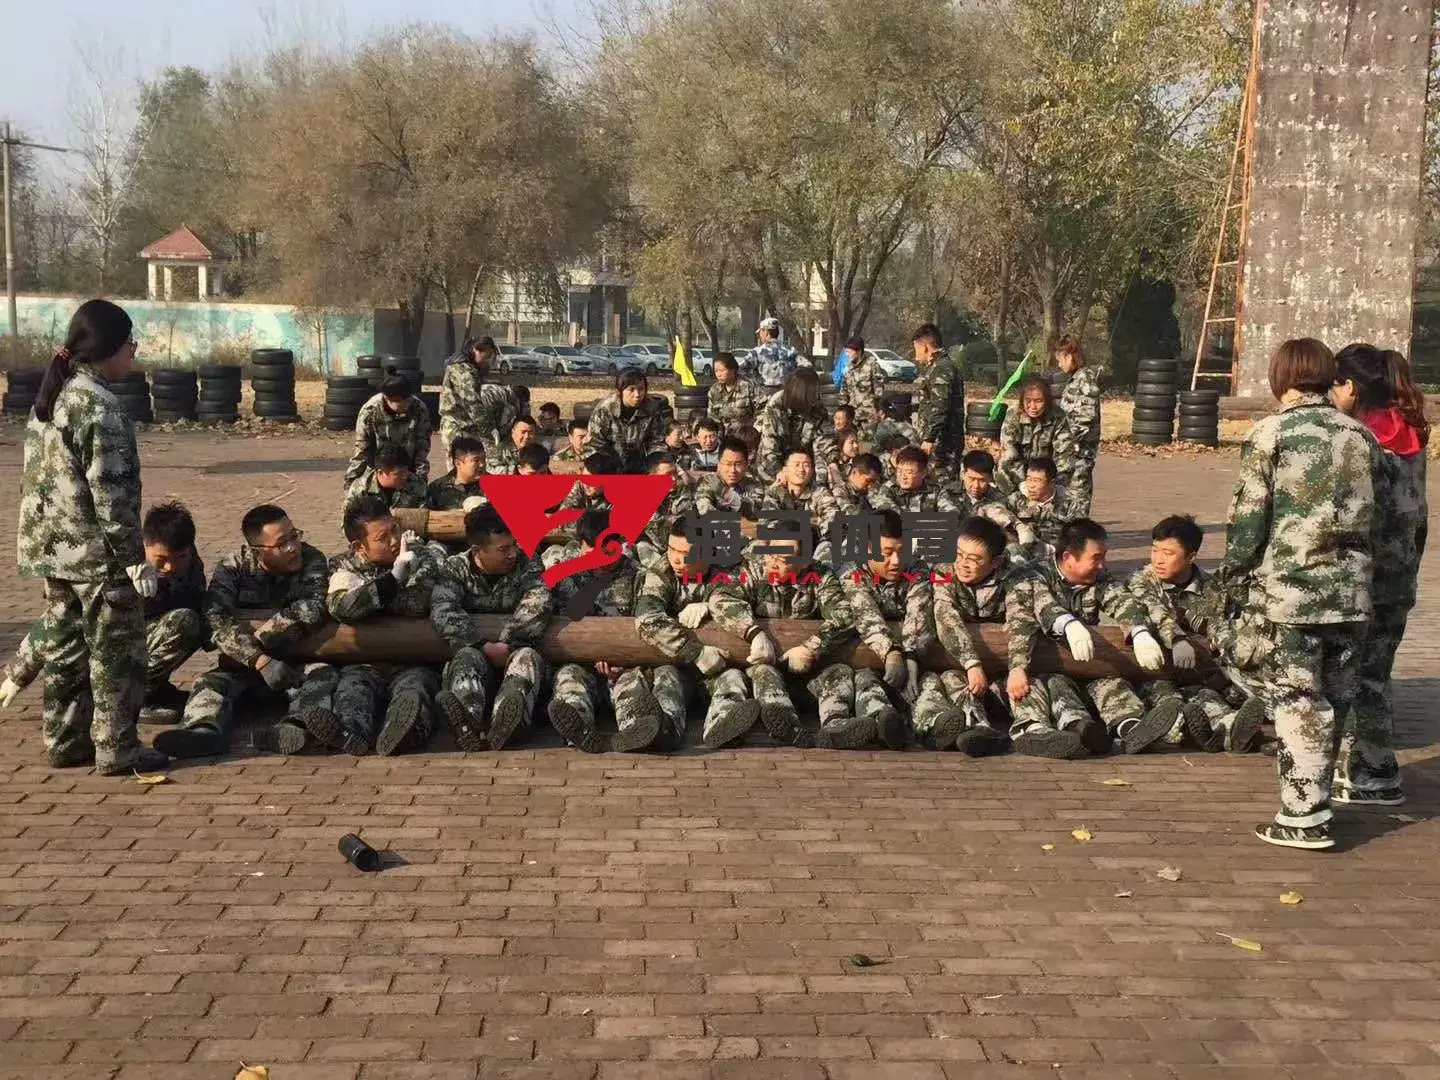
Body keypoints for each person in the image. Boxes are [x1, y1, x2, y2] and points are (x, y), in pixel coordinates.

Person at [1219, 339, 1378, 849]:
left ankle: (1303, 814)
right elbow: (1384, 518)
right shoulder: (1361, 435)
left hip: (1294, 595)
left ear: (1281, 376)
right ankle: (1319, 801)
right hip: (1353, 594)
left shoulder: (1271, 434)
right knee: (1338, 697)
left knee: (1298, 699)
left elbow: (1248, 521)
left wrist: (1232, 580)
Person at [14, 299, 167, 774]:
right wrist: (134, 560)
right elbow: (113, 496)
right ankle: (117, 748)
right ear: (111, 348)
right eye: (130, 346)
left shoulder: (53, 397)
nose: (133, 354)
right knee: (117, 653)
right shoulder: (101, 407)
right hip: (97, 557)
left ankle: (64, 741)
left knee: (65, 651)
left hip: (52, 553)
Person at [2, 501, 208, 725]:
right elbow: (62, 615)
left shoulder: (190, 562)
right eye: (162, 560)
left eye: (180, 557)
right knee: (184, 621)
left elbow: (199, 601)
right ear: (143, 545)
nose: (171, 567)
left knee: (194, 620)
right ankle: (127, 699)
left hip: (139, 637)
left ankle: (149, 689)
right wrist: (19, 674)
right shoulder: (113, 564)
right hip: (104, 646)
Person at [154, 504, 333, 760]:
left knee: (323, 678)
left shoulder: (312, 559)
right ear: (257, 551)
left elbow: (311, 609)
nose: (293, 547)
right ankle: (203, 732)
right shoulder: (233, 567)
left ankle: (295, 728)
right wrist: (258, 660)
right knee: (209, 684)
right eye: (282, 543)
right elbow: (215, 618)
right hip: (246, 667)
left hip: (296, 664)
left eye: (294, 536)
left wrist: (258, 639)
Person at [1329, 343, 1425, 806]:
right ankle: (1371, 767)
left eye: (1333, 385)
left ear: (1350, 387)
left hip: (1364, 577)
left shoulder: (1361, 439)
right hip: (1399, 576)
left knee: (1357, 675)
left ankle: (1374, 774)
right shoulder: (1408, 430)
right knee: (1376, 672)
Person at [1006, 519, 1181, 758]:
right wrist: (1020, 664)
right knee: (1048, 686)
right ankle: (1053, 732)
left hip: (1087, 663)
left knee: (1111, 681)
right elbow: (1029, 617)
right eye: (1096, 558)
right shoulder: (1031, 575)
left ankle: (1131, 728)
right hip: (1039, 665)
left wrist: (1139, 631)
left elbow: (1121, 600)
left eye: (1104, 557)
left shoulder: (1099, 578)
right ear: (1068, 557)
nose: (1102, 565)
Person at [1126, 515, 1265, 754]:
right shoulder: (1141, 580)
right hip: (1159, 672)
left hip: (1203, 675)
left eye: (1168, 553)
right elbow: (1156, 612)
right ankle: (1194, 730)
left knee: (1212, 696)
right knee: (1169, 699)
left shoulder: (1213, 589)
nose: (1158, 560)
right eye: (1155, 550)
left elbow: (1225, 626)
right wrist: (1178, 638)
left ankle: (1229, 731)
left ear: (1191, 556)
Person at [322, 497, 446, 755]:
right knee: (352, 693)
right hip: (363, 661)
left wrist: (369, 602)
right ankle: (351, 733)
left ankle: (404, 733)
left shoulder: (420, 555)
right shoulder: (341, 565)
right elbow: (341, 608)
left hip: (413, 659)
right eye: (382, 538)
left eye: (395, 530)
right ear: (359, 546)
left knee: (414, 693)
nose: (394, 541)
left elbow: (418, 603)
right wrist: (395, 579)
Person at [922, 516, 1052, 756]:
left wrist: (1018, 667)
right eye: (959, 554)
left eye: (974, 559)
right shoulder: (943, 571)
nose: (963, 564)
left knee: (1028, 684)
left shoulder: (1017, 576)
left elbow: (1021, 620)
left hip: (1004, 666)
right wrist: (971, 663)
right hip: (964, 666)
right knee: (952, 680)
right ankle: (978, 729)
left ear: (995, 562)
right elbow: (945, 615)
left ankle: (1033, 730)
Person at [707, 538, 854, 747]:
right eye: (771, 555)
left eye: (783, 559)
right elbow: (720, 598)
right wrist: (754, 633)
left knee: (841, 672)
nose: (773, 564)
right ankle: (787, 725)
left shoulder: (820, 577)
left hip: (806, 671)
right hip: (763, 666)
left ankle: (835, 726)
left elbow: (845, 614)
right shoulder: (754, 570)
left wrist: (811, 647)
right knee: (764, 673)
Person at [431, 505, 553, 751]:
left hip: (513, 651)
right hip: (478, 653)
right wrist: (480, 645)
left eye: (515, 544)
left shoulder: (528, 562)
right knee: (466, 656)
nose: (513, 554)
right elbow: (443, 609)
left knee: (527, 658)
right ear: (478, 550)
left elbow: (539, 601)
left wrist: (508, 642)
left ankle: (509, 720)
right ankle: (466, 724)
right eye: (503, 549)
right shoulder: (455, 568)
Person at [546, 510, 667, 754]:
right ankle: (579, 731)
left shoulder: (639, 576)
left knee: (633, 688)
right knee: (569, 681)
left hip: (626, 664)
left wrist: (622, 659)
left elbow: (649, 621)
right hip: (579, 662)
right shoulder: (564, 575)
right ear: (580, 547)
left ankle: (634, 731)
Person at [831, 510, 931, 749]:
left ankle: (931, 727)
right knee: (865, 681)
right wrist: (891, 652)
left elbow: (919, 612)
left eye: (901, 552)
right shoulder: (850, 569)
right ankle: (881, 723)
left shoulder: (916, 569)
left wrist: (911, 656)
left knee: (923, 686)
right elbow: (865, 611)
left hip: (909, 655)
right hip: (864, 655)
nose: (895, 561)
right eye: (886, 554)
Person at [633, 520, 738, 747]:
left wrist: (711, 606)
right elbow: (648, 618)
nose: (676, 559)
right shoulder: (661, 572)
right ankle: (664, 731)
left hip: (718, 666)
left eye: (685, 554)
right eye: (672, 549)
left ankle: (722, 729)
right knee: (666, 680)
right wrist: (696, 652)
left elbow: (740, 602)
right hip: (676, 664)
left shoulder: (726, 569)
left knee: (733, 680)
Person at [345, 373, 433, 486]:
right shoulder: (369, 411)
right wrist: (352, 483)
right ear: (387, 399)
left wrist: (420, 480)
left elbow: (422, 447)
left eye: (408, 399)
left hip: (407, 468)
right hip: (379, 468)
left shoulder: (419, 409)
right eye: (400, 401)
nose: (406, 404)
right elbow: (362, 450)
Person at [756, 368, 839, 483]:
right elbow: (770, 443)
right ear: (801, 392)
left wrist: (832, 462)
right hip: (774, 464)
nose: (816, 395)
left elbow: (824, 438)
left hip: (803, 462)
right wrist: (778, 471)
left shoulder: (817, 406)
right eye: (812, 391)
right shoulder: (777, 404)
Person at [998, 375, 1077, 495]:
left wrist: (1052, 485)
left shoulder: (1058, 416)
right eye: (1028, 400)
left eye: (1038, 401)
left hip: (1046, 477)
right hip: (1015, 477)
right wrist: (1027, 482)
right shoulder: (1013, 414)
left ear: (1047, 401)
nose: (1033, 406)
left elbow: (1064, 456)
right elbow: (1009, 456)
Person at [439, 336, 517, 451]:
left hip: (464, 425)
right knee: (462, 461)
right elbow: (473, 403)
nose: (487, 360)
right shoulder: (463, 370)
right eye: (487, 356)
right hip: (458, 426)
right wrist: (489, 429)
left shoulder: (468, 368)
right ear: (476, 350)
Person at [910, 323, 965, 479]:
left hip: (942, 444)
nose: (915, 354)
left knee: (942, 483)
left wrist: (929, 438)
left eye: (916, 348)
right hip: (937, 441)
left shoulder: (941, 368)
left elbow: (940, 406)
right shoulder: (935, 367)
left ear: (925, 347)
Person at [1053, 337, 1101, 516]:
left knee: (1078, 500)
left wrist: (1064, 441)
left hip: (1080, 453)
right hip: (1071, 453)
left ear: (1070, 356)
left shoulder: (1085, 379)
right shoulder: (1075, 379)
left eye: (1060, 359)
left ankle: (1080, 531)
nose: (1059, 364)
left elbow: (1085, 417)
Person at [586, 371, 669, 473]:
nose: (637, 394)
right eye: (631, 390)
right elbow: (594, 442)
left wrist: (654, 460)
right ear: (620, 391)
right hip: (609, 464)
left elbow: (657, 441)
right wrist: (602, 464)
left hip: (640, 464)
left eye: (641, 389)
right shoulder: (605, 409)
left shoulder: (652, 408)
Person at [940, 449, 1028, 544]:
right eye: (971, 479)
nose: (976, 486)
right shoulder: (949, 493)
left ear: (990, 478)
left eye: (982, 480)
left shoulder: (999, 498)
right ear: (963, 474)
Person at [760, 446, 840, 534]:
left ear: (812, 471)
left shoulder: (819, 492)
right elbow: (766, 524)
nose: (801, 469)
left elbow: (833, 518)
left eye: (806, 465)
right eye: (796, 465)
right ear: (785, 470)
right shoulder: (775, 492)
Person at [1006, 457, 1076, 550]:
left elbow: (1076, 536)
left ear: (1051, 482)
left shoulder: (1068, 503)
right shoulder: (1015, 500)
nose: (1031, 485)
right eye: (1028, 479)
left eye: (1037, 480)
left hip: (1055, 553)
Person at [341, 445, 428, 521]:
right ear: (380, 472)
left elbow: (424, 517)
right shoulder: (361, 489)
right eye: (399, 473)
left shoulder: (416, 484)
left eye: (406, 471)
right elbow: (349, 523)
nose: (405, 476)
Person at [694, 437, 766, 519]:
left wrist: (725, 493)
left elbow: (753, 510)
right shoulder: (709, 482)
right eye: (728, 464)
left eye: (738, 464)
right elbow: (706, 511)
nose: (733, 470)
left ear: (746, 465)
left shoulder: (755, 485)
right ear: (719, 465)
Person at [836, 335, 885, 437]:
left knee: (867, 443)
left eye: (850, 352)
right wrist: (842, 411)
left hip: (869, 416)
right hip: (852, 415)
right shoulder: (848, 369)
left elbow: (879, 391)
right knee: (852, 441)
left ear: (858, 351)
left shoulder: (872, 365)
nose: (847, 355)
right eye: (846, 352)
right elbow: (844, 391)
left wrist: (878, 411)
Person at [872, 445, 943, 513]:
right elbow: (892, 517)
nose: (903, 477)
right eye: (899, 471)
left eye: (909, 472)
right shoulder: (889, 489)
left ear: (923, 473)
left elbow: (948, 517)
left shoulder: (937, 490)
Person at [427, 436, 488, 512]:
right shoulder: (437, 489)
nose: (482, 464)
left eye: (483, 459)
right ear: (457, 463)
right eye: (476, 460)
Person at [746, 316, 804, 390]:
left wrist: (754, 381)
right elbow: (807, 367)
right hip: (787, 393)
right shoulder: (791, 351)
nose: (759, 336)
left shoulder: (756, 353)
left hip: (764, 393)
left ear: (766, 333)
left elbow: (739, 370)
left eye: (760, 332)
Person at [707, 352, 761, 432]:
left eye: (722, 370)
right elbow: (712, 418)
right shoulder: (714, 390)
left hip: (746, 434)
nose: (719, 374)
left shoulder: (748, 386)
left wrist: (756, 431)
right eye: (716, 371)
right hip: (723, 435)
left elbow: (762, 411)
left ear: (733, 369)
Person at [830, 452, 883, 517]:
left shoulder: (861, 493)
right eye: (868, 480)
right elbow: (850, 516)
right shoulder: (839, 490)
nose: (870, 485)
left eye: (874, 481)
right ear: (855, 472)